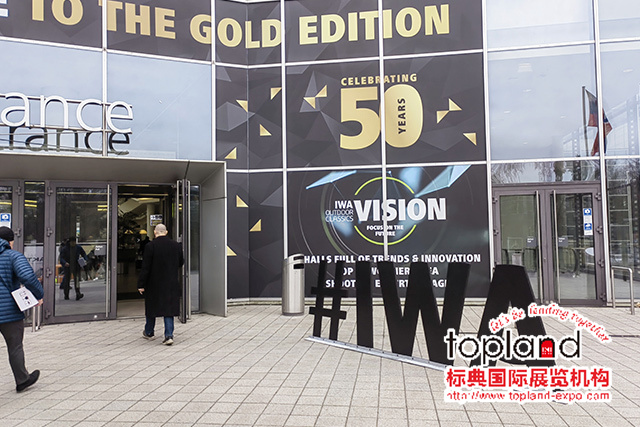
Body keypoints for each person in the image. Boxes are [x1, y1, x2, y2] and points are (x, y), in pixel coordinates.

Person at [0, 226, 43, 392]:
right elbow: (27, 276)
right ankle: (22, 380)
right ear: (10, 241)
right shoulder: (13, 256)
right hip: (9, 312)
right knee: (15, 346)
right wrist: (38, 294)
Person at [137, 224, 184, 345]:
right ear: (166, 232)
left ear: (155, 232)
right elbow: (181, 262)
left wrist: (141, 284)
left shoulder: (150, 246)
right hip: (170, 282)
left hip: (154, 282)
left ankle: (149, 332)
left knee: (151, 307)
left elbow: (146, 267)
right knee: (169, 309)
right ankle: (169, 335)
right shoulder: (176, 245)